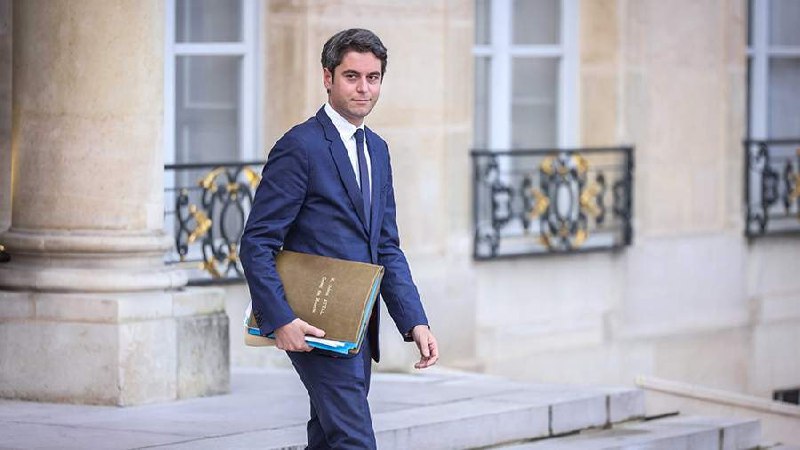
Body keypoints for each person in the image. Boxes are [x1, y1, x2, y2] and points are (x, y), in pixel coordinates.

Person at [239, 28, 439, 449]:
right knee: (354, 439)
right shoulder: (299, 146)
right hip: (311, 324)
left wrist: (414, 321)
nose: (364, 88)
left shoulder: (378, 150)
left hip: (357, 327)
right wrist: (280, 320)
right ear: (328, 77)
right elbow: (257, 241)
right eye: (352, 76)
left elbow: (386, 246)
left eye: (373, 77)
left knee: (329, 438)